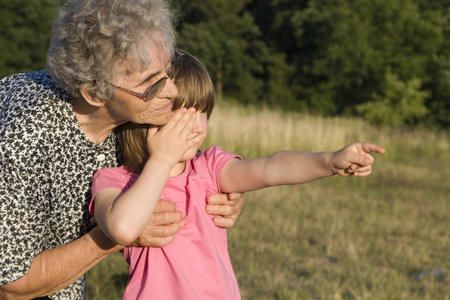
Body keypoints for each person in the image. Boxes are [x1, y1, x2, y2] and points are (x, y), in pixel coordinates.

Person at [90, 50, 386, 299]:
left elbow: (271, 168)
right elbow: (123, 227)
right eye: (183, 116)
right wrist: (162, 159)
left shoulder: (209, 167)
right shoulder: (115, 180)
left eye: (203, 113)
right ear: (145, 117)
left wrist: (330, 161)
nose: (198, 128)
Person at [0, 1, 244, 299]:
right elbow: (11, 283)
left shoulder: (135, 114)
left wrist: (217, 196)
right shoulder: (23, 139)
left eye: (168, 69)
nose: (172, 91)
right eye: (151, 85)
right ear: (94, 92)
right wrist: (117, 231)